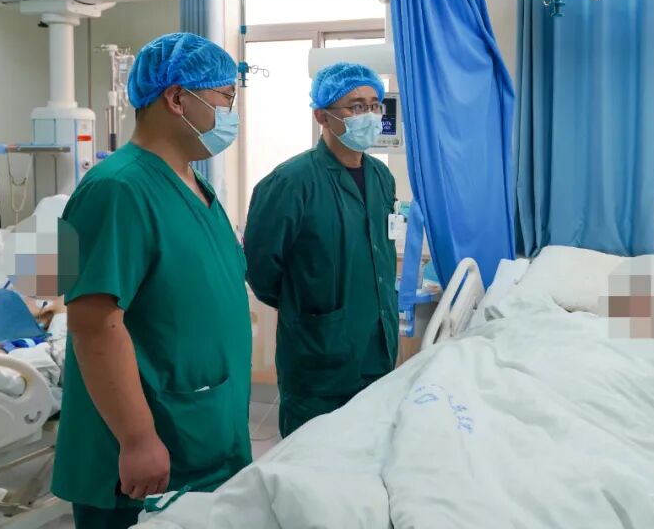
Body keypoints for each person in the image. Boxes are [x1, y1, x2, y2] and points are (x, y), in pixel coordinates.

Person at [52, 33, 252, 529]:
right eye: (226, 97)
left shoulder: (195, 183)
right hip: (147, 454)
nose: (231, 112)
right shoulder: (116, 189)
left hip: (201, 429)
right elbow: (93, 324)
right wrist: (138, 439)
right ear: (177, 98)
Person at [245, 62, 398, 437]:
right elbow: (261, 270)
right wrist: (310, 307)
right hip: (319, 356)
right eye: (356, 106)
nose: (369, 115)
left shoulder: (381, 177)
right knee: (312, 459)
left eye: (374, 105)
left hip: (377, 349)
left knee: (368, 453)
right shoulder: (290, 182)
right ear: (322, 116)